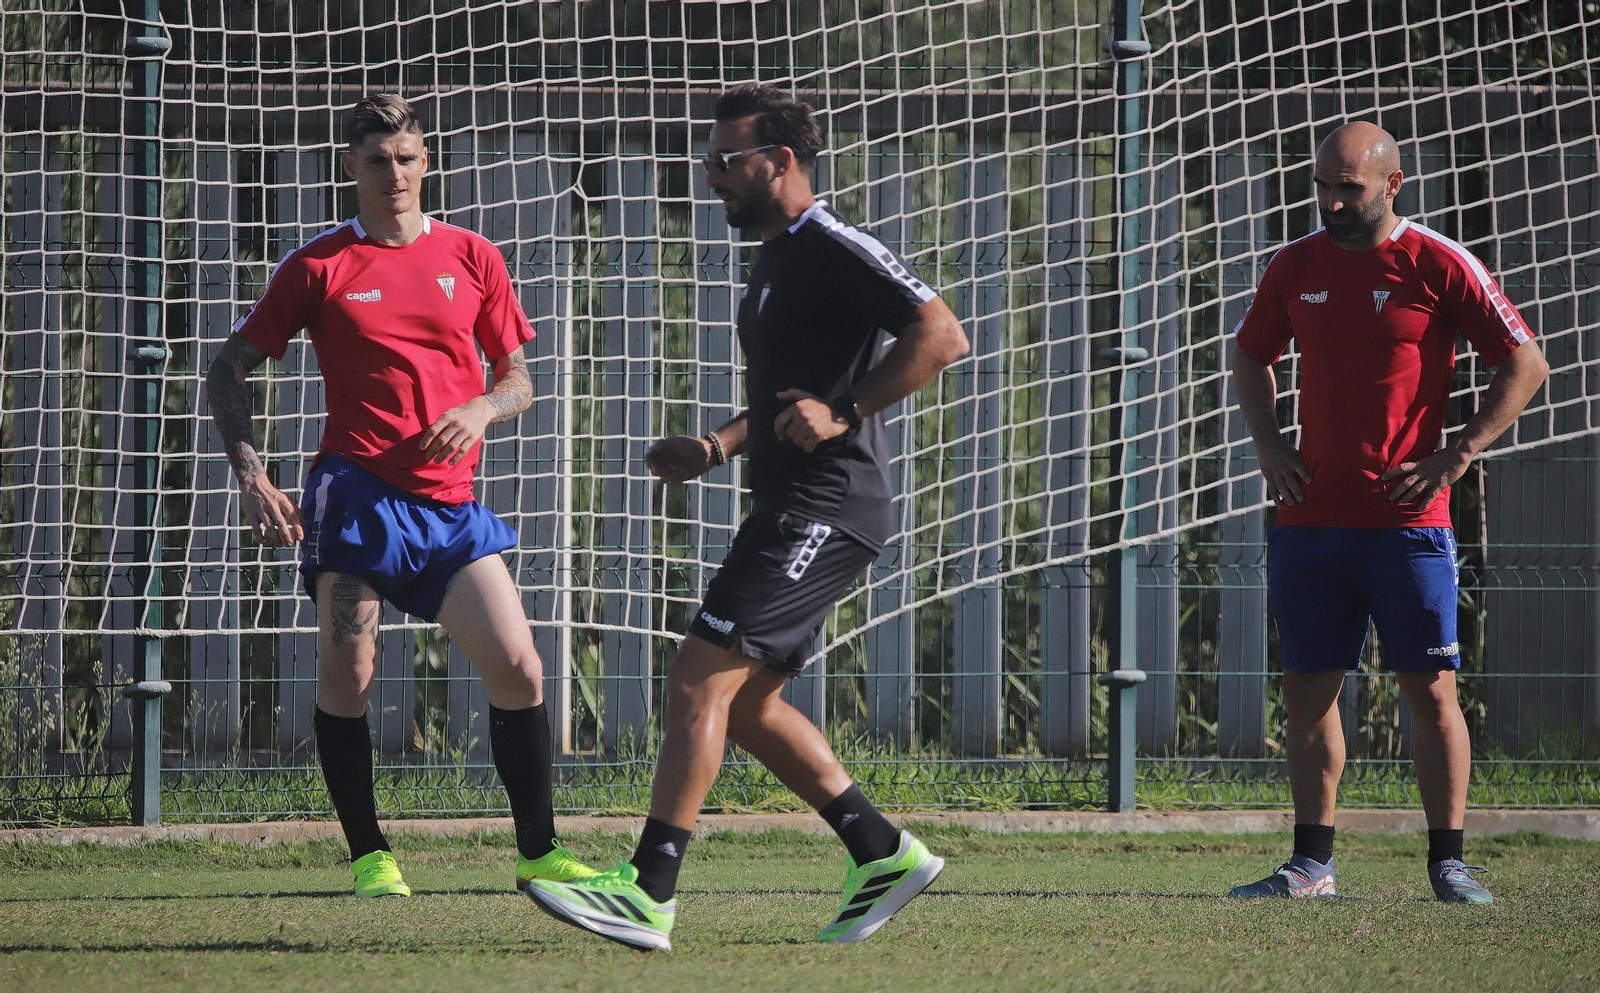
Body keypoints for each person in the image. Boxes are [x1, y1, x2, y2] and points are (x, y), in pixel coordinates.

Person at [525, 83, 969, 951]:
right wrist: (719, 446)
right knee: (752, 702)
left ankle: (648, 890)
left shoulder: (831, 243)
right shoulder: (773, 259)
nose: (712, 176)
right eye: (708, 161)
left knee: (696, 674)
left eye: (728, 161)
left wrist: (845, 413)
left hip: (828, 501)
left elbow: (942, 333)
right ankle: (880, 852)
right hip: (793, 496)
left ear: (782, 161)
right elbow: (790, 397)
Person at [206, 94, 597, 898]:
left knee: (521, 669)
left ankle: (539, 851)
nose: (394, 173)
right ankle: (370, 854)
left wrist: (484, 405)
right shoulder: (318, 266)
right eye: (377, 159)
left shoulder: (473, 256)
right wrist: (251, 473)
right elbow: (227, 368)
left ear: (427, 163)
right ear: (350, 166)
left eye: (407, 158)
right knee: (350, 671)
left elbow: (519, 377)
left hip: (451, 508)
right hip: (355, 498)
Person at [1229, 121, 1548, 903]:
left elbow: (1525, 361)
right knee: (1309, 689)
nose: (1334, 202)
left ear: (1393, 185)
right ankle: (1311, 864)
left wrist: (1458, 452)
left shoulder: (1437, 263)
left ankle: (1450, 862)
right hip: (1310, 519)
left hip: (1409, 522)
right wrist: (1269, 443)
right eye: (1323, 187)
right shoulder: (1293, 266)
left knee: (1430, 686)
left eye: (1351, 189)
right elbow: (1249, 353)